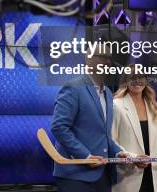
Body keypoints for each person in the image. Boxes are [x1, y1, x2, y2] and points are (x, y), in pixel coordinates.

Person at [51, 50, 135, 192]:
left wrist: (119, 153)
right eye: (102, 57)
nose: (107, 62)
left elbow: (104, 135)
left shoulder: (108, 92)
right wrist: (86, 156)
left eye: (109, 57)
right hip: (76, 176)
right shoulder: (73, 87)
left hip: (104, 175)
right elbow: (59, 127)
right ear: (88, 60)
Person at [112, 72, 157, 192]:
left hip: (153, 179)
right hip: (127, 178)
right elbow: (111, 140)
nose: (137, 81)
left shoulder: (154, 107)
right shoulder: (116, 105)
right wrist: (133, 158)